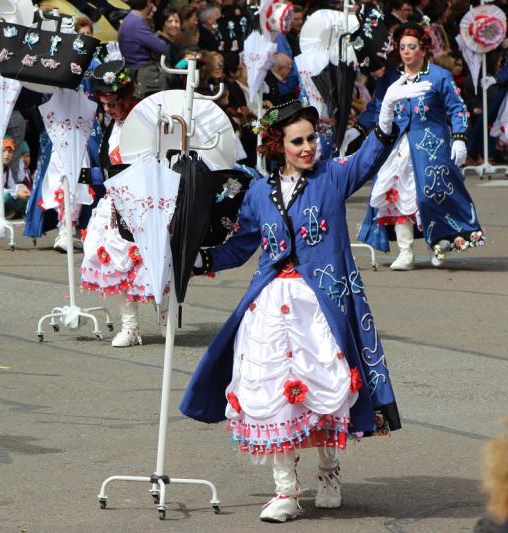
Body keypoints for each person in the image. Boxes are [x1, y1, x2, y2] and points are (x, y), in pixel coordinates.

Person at [179, 92, 425, 521]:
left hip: (322, 306)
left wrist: (384, 126)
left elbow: (366, 159)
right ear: (279, 147)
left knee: (326, 387)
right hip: (271, 304)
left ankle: (328, 472)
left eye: (312, 138)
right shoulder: (258, 192)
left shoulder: (332, 177)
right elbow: (239, 246)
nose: (308, 147)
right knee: (274, 392)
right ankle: (286, 491)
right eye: (298, 141)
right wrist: (193, 261)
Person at [353, 22, 485, 270]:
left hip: (431, 147)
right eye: (402, 47)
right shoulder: (393, 77)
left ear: (423, 49)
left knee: (431, 196)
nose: (406, 51)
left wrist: (459, 138)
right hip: (399, 147)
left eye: (411, 46)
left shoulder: (439, 76)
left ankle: (439, 244)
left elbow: (457, 109)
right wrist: (358, 128)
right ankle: (405, 251)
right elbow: (378, 106)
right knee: (394, 195)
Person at [80, 60, 160, 348]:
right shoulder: (113, 124)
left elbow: (152, 163)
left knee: (138, 263)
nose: (108, 110)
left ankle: (146, 321)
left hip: (143, 202)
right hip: (114, 202)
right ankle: (131, 326)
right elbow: (108, 163)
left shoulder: (147, 120)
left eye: (113, 103)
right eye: (104, 104)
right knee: (105, 255)